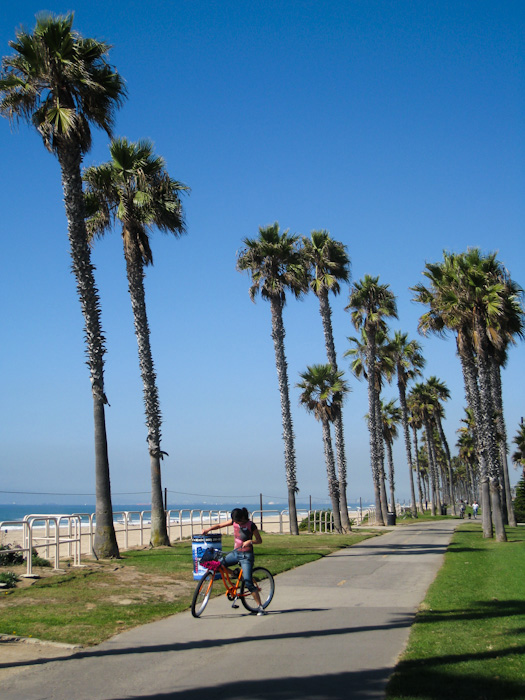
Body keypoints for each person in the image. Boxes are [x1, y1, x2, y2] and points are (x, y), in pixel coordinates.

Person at [202, 507, 266, 615]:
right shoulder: (234, 522)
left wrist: (250, 541)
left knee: (248, 582)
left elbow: (259, 540)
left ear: (242, 517)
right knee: (217, 565)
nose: (236, 523)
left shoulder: (251, 525)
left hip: (246, 556)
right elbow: (219, 525)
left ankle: (260, 607)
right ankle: (235, 574)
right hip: (235, 553)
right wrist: (208, 530)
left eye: (237, 521)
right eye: (234, 521)